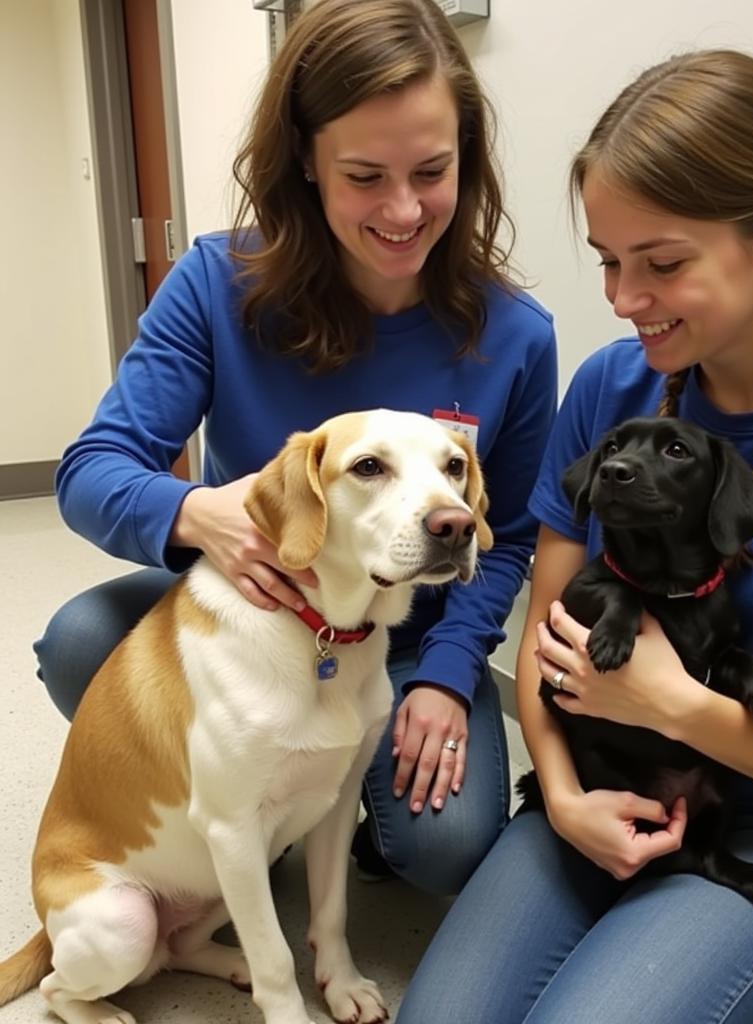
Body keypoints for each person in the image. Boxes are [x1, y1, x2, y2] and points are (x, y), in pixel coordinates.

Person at [397, 49, 753, 1023]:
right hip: (604, 774)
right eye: (608, 262)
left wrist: (674, 705)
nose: (623, 299)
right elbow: (549, 638)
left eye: (661, 263)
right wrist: (567, 794)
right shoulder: (607, 394)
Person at [34, 0, 556, 898]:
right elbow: (93, 470)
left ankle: (334, 813)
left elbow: (504, 535)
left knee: (446, 846)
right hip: (257, 613)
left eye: (432, 171)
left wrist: (446, 673)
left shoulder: (516, 335)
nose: (403, 210)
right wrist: (200, 514)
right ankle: (241, 805)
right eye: (363, 175)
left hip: (405, 636)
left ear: (467, 162)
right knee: (82, 641)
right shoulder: (216, 284)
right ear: (307, 166)